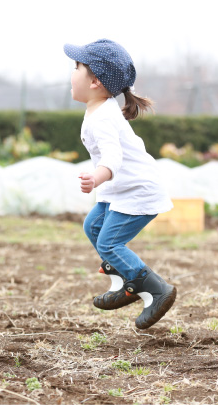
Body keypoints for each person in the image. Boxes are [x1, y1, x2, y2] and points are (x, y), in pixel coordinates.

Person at [63, 38, 176, 329]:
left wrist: (96, 178)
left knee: (109, 242)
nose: (71, 73)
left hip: (138, 191)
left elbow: (112, 157)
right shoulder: (98, 110)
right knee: (94, 227)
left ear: (95, 82)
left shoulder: (102, 118)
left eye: (77, 68)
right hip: (120, 190)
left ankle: (155, 289)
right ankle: (124, 282)